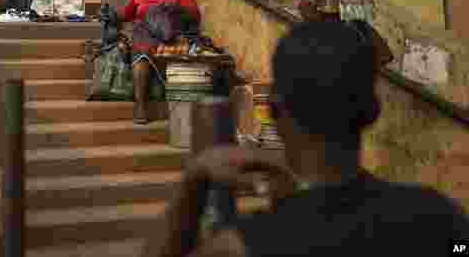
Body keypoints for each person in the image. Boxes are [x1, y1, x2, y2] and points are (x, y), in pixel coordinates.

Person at [144, 20, 469, 257]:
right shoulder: (438, 219)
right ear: (372, 111)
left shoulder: (248, 244)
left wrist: (194, 181)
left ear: (273, 110)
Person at [100, 0, 201, 124]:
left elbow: (195, 16)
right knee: (141, 51)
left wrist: (177, 8)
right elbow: (128, 14)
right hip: (143, 33)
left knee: (149, 45)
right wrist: (112, 15)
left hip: (169, 34)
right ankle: (140, 105)